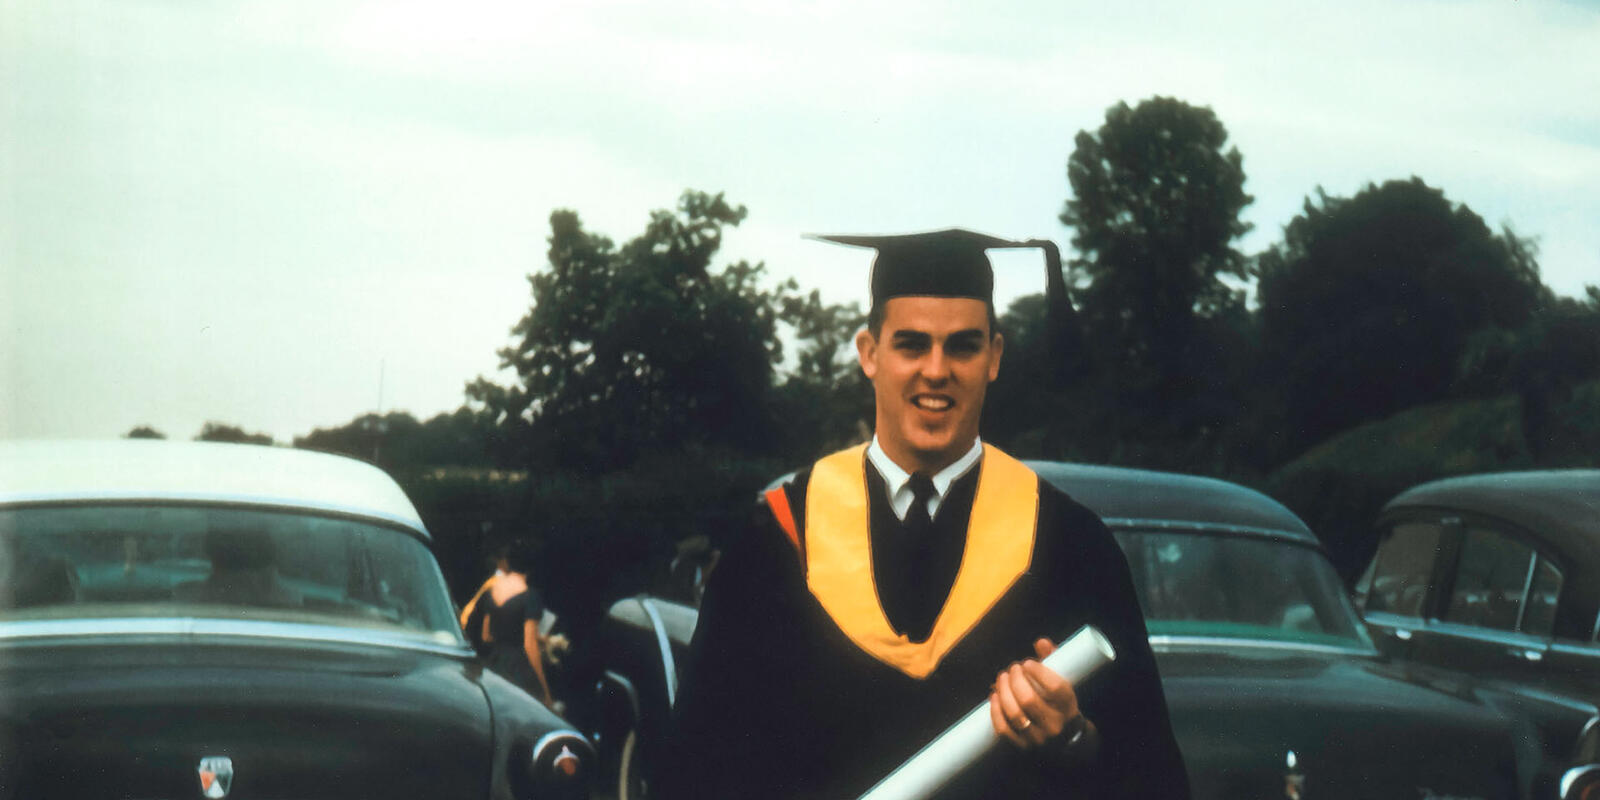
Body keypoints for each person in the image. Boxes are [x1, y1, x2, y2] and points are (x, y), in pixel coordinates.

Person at [659, 229, 1189, 798]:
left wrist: (1075, 738)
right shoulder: (777, 541)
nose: (936, 371)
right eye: (912, 344)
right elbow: (696, 766)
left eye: (963, 346)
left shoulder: (1070, 545)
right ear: (870, 353)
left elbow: (1150, 773)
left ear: (994, 357)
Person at [464, 543, 554, 705]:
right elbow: (529, 644)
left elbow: (487, 636)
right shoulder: (530, 595)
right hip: (518, 669)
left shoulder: (491, 590)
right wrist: (544, 689)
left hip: (493, 664)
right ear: (531, 568)